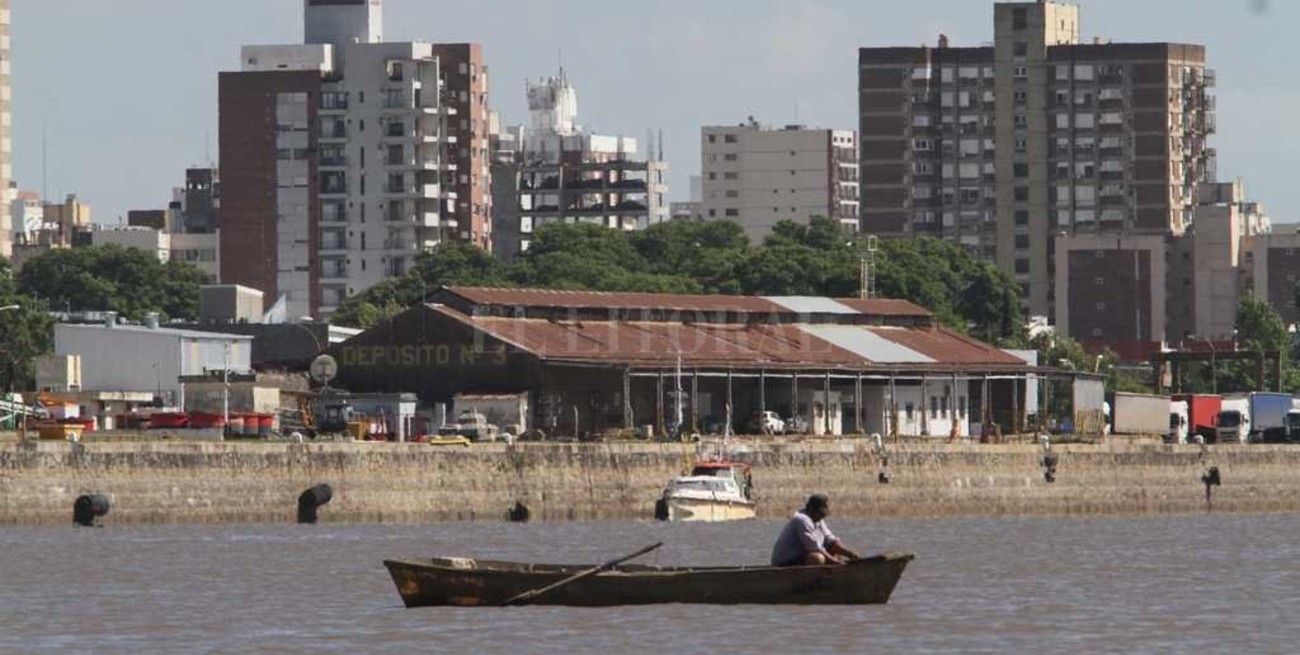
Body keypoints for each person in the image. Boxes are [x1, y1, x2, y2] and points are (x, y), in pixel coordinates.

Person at [770, 493, 860, 567]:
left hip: (802, 558)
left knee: (835, 549)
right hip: (785, 562)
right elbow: (815, 548)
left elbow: (831, 541)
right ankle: (811, 584)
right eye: (820, 513)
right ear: (812, 510)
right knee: (817, 558)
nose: (822, 516)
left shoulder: (818, 520)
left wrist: (850, 555)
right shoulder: (801, 520)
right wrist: (838, 564)